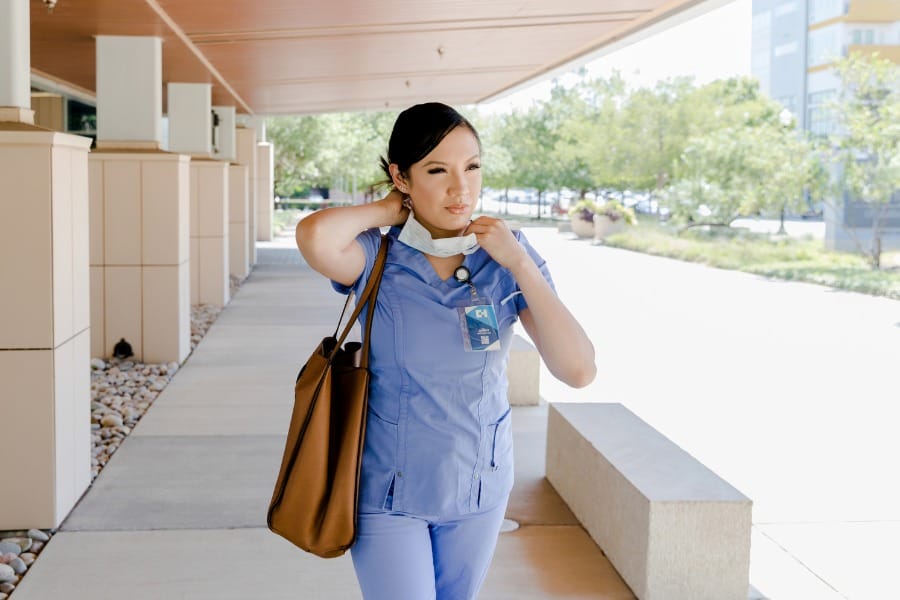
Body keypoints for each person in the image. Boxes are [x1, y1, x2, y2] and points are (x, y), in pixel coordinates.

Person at [296, 102, 595, 600]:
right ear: (402, 175)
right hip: (389, 493)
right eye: (437, 170)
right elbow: (314, 236)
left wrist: (519, 263)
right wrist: (390, 208)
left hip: (480, 490)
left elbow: (579, 369)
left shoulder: (505, 257)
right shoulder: (379, 255)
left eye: (472, 166)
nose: (462, 188)